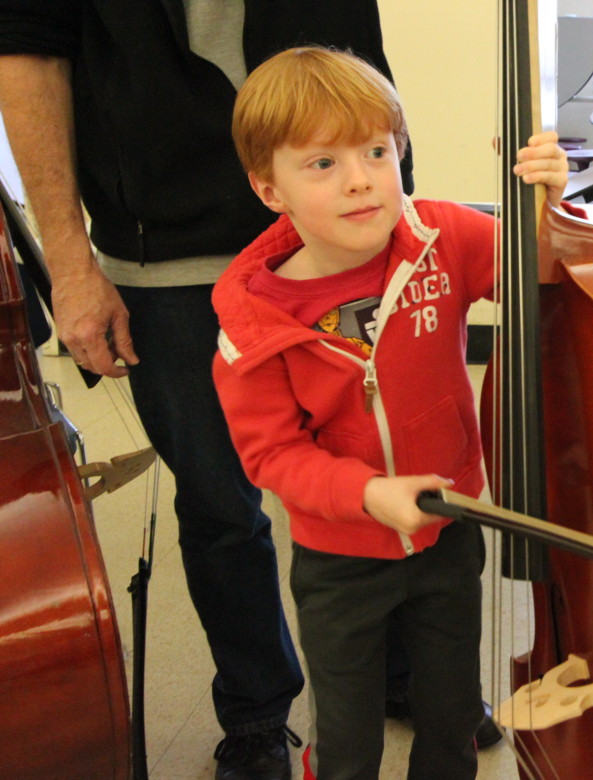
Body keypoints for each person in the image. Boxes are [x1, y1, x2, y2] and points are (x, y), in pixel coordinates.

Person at [0, 4, 417, 778]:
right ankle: (257, 711)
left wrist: (398, 210)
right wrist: (69, 263)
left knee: (376, 469)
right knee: (221, 507)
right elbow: (28, 50)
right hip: (166, 256)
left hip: (337, 238)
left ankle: (393, 672)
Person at [214, 46, 570, 780]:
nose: (360, 180)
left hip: (447, 536)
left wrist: (548, 200)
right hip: (340, 559)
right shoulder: (250, 326)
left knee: (451, 720)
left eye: (378, 151)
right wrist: (366, 495)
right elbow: (271, 457)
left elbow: (544, 269)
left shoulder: (441, 239)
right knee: (348, 739)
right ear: (267, 188)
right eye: (322, 164)